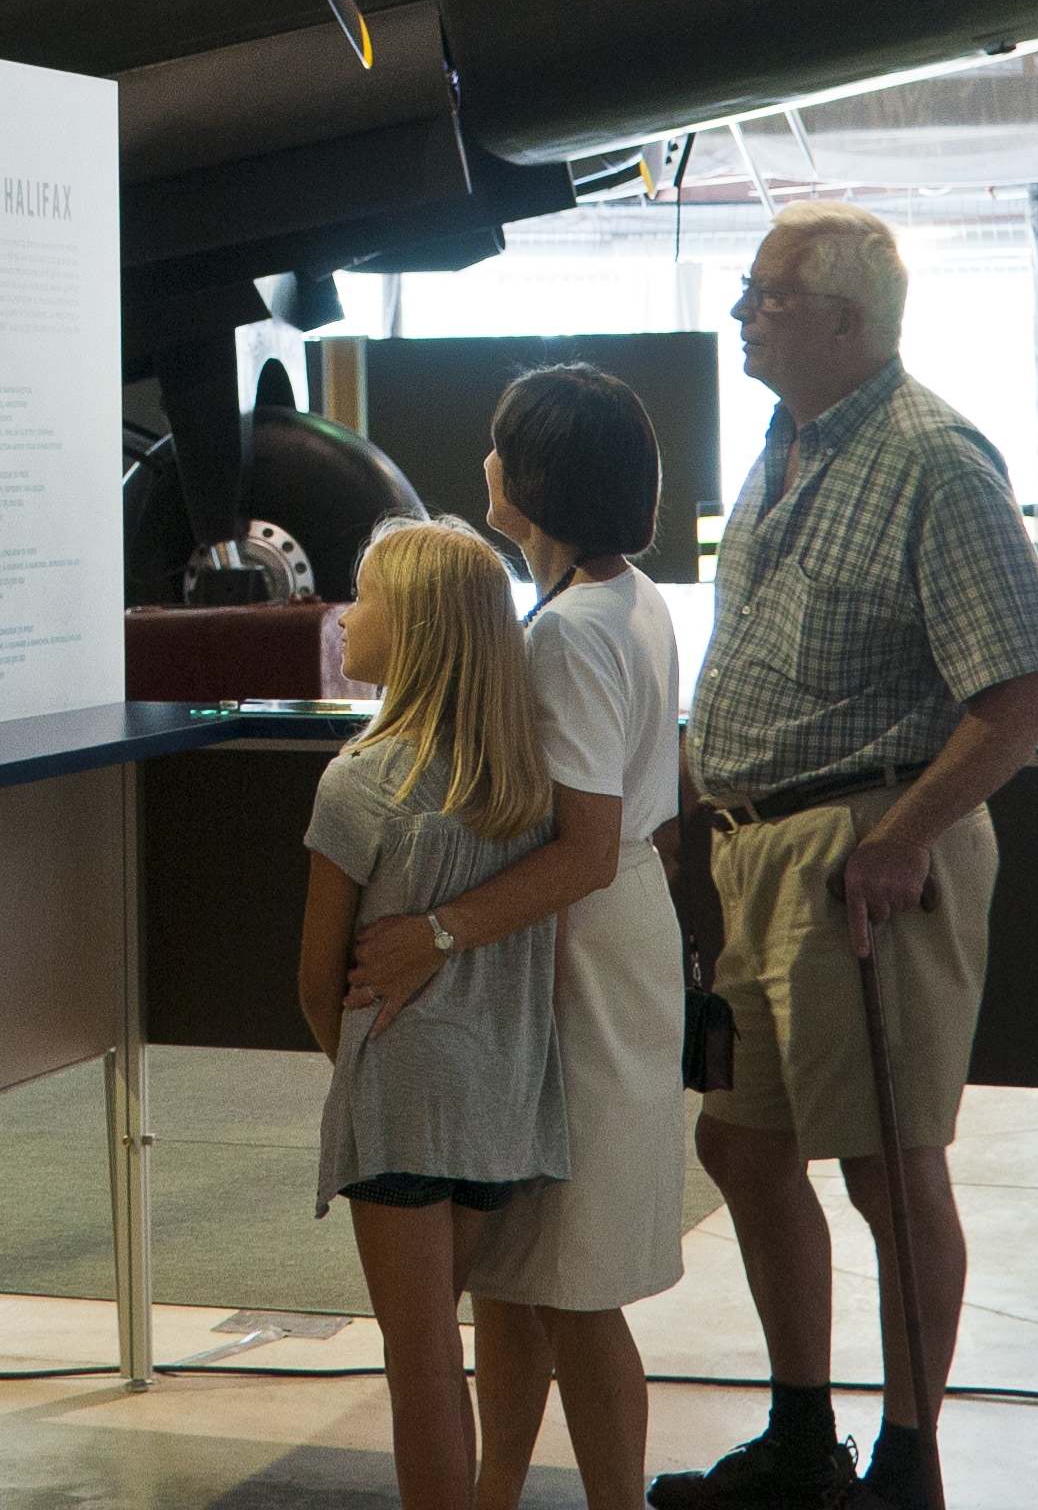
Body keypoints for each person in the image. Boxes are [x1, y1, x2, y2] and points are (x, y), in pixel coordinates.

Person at [659, 203, 1038, 1510]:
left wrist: (903, 838)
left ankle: (905, 1464)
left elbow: (1026, 684)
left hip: (858, 854)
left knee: (891, 1170)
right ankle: (800, 1439)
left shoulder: (932, 457)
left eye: (763, 296)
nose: (740, 313)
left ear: (843, 319)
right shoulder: (785, 447)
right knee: (742, 1147)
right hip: (754, 851)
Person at [345, 364, 690, 1510]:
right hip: (598, 930)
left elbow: (582, 846)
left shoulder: (572, 633)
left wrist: (435, 932)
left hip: (578, 942)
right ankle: (495, 1487)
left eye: (499, 445)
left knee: (577, 1279)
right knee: (516, 1262)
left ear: (532, 476)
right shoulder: (622, 598)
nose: (484, 460)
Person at [301, 518, 577, 1510]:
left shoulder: (359, 782)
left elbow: (314, 975)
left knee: (417, 1363)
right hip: (500, 1099)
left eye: (364, 597)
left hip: (404, 1098)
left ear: (413, 628)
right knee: (451, 1337)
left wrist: (364, 1070)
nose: (345, 614)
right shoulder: (531, 783)